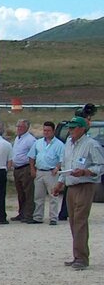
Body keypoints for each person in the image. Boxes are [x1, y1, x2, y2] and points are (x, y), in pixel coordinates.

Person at [53, 116, 104, 271]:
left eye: (74, 127)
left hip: (85, 185)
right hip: (71, 185)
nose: (70, 130)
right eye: (69, 127)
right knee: (73, 221)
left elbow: (100, 167)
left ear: (82, 129)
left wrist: (85, 171)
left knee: (80, 221)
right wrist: (59, 184)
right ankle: (78, 255)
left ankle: (81, 258)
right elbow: (65, 164)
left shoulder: (91, 145)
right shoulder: (68, 143)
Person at [28, 121, 64, 225]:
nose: (46, 132)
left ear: (53, 131)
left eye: (48, 130)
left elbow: (62, 159)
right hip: (39, 171)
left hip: (51, 173)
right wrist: (32, 169)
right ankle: (38, 217)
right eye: (44, 130)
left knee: (53, 196)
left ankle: (53, 218)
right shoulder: (38, 142)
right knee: (38, 196)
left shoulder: (59, 144)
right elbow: (31, 156)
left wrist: (57, 167)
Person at [10, 119, 36, 223]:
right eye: (18, 126)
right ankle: (21, 213)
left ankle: (29, 214)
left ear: (27, 128)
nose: (19, 128)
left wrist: (32, 168)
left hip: (26, 168)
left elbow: (34, 155)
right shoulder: (17, 138)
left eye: (21, 127)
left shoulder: (30, 139)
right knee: (20, 193)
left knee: (28, 192)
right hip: (17, 168)